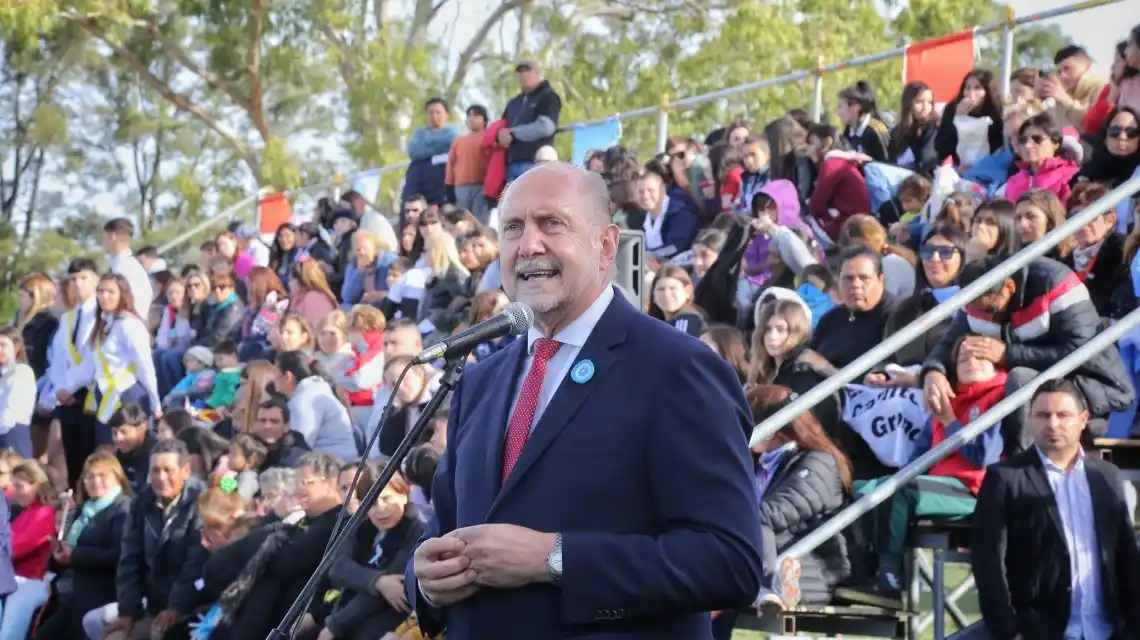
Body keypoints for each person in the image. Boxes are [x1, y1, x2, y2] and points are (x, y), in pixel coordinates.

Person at [406, 162, 763, 639]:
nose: (529, 244)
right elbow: (445, 532)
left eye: (551, 223)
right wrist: (426, 581)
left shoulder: (679, 370)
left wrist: (554, 559)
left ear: (607, 246)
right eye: (513, 228)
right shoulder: (480, 381)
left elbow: (730, 562)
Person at [972, 379, 1140, 639]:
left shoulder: (1108, 477)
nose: (1052, 424)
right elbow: (988, 563)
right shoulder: (1004, 478)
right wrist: (1009, 631)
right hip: (1038, 631)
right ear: (1030, 420)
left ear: (1083, 419)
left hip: (1104, 630)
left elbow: (1125, 556)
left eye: (1063, 415)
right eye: (1043, 415)